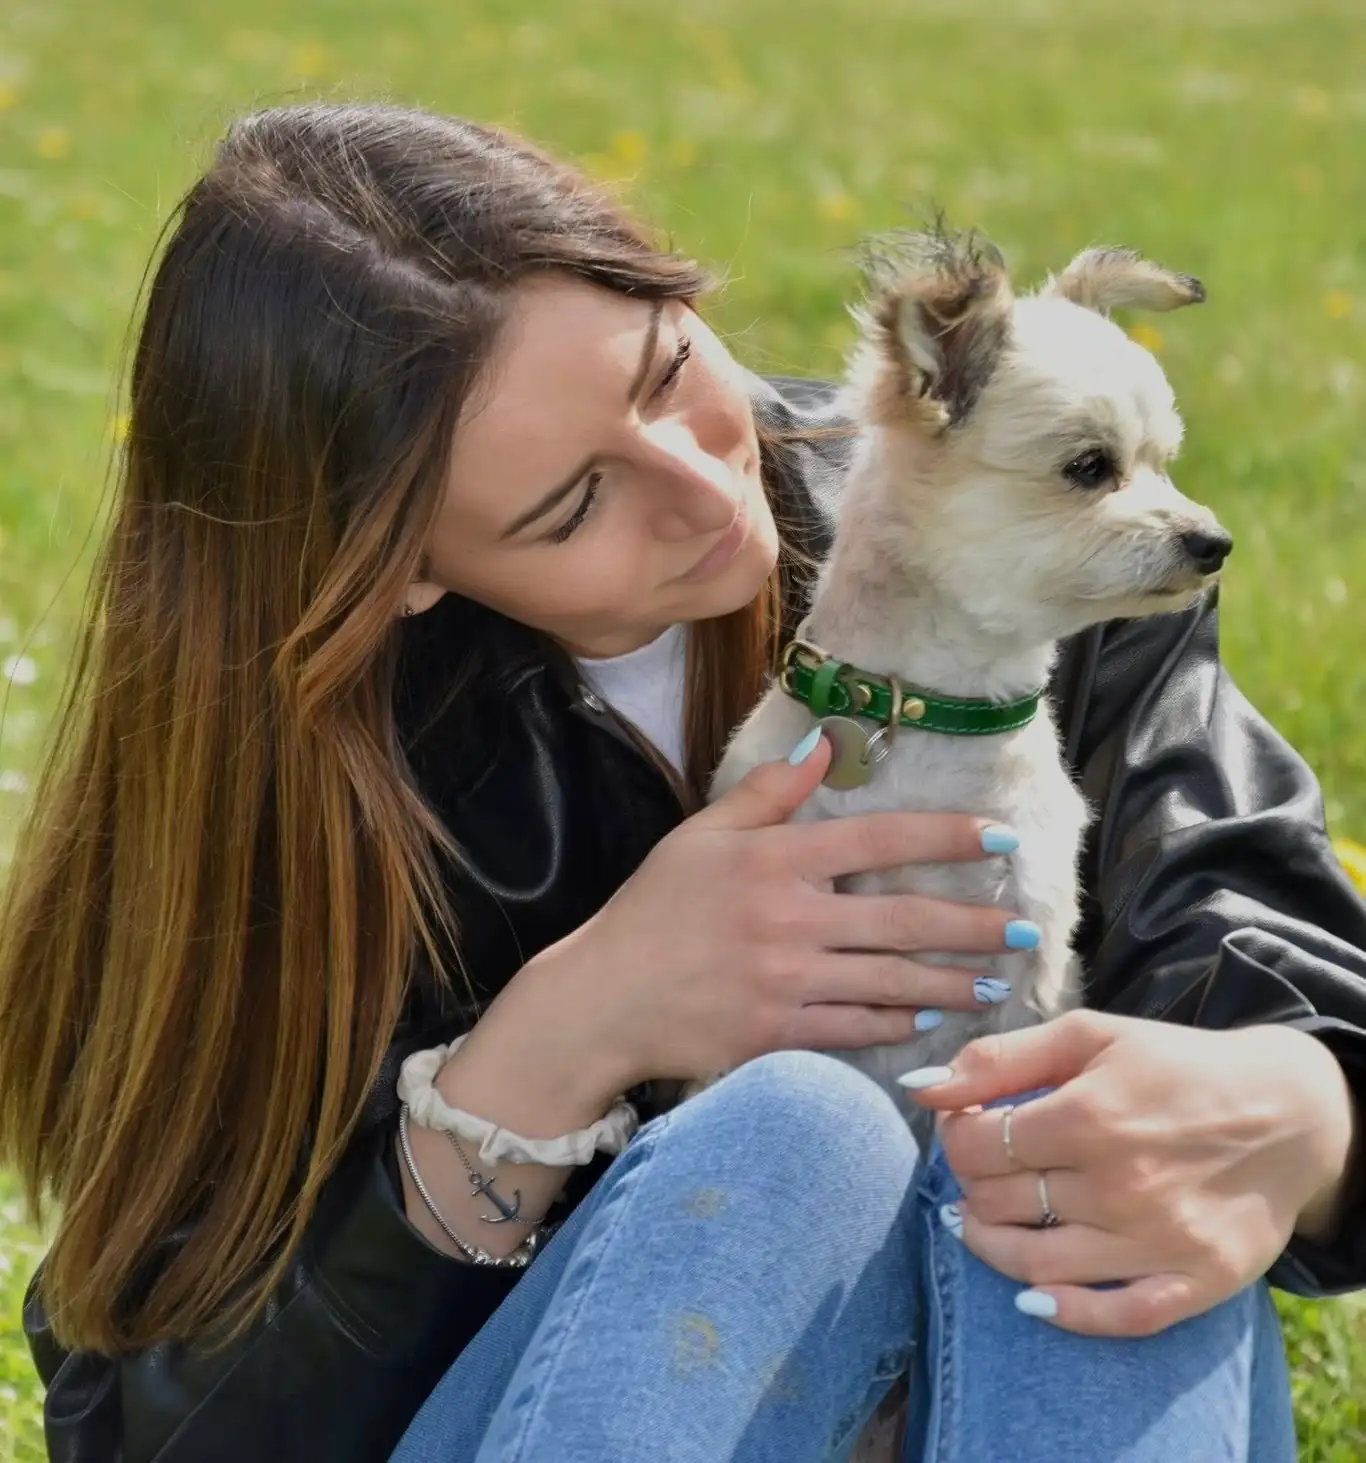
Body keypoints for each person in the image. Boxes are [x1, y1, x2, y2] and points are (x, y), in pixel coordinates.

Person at [1, 102, 1364, 1463]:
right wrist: (557, 1040)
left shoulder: (1013, 515)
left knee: (1095, 1153)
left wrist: (1300, 1107)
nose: (709, 493)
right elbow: (146, 1423)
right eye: (570, 504)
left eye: (667, 371)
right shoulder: (298, 781)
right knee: (797, 1133)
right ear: (395, 567)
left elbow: (1255, 934)